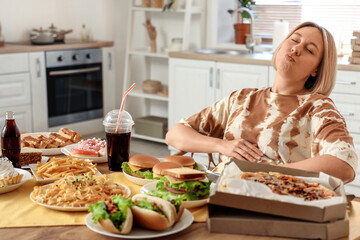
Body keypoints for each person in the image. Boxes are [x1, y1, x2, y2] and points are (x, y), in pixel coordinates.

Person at [165, 22, 358, 183]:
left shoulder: (318, 107)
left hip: (276, 198)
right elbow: (175, 134)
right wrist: (222, 146)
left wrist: (271, 173)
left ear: (316, 70)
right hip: (219, 191)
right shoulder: (242, 98)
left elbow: (344, 165)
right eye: (294, 40)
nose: (296, 48)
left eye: (309, 49)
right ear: (282, 45)